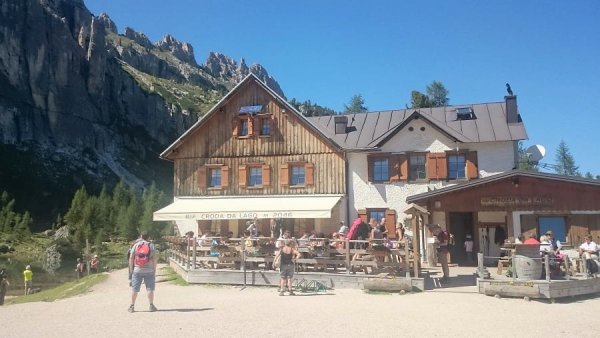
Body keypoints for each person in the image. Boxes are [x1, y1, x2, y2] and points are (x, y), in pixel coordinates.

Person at [128, 231, 158, 313]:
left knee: (135, 289)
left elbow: (131, 258)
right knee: (150, 289)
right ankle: (151, 305)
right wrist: (154, 269)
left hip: (137, 270)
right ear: (149, 237)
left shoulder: (136, 245)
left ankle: (132, 306)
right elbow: (155, 259)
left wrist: (131, 270)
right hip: (149, 270)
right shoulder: (151, 245)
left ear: (141, 236)